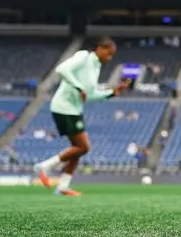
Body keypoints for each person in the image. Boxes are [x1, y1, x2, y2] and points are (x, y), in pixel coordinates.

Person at [34, 38, 129, 197]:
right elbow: (62, 69)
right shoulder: (84, 57)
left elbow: (90, 95)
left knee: (78, 150)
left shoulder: (96, 67)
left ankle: (63, 186)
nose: (109, 58)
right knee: (84, 147)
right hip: (63, 108)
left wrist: (112, 93)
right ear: (100, 48)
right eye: (109, 53)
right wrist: (78, 87)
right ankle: (45, 166)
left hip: (74, 109)